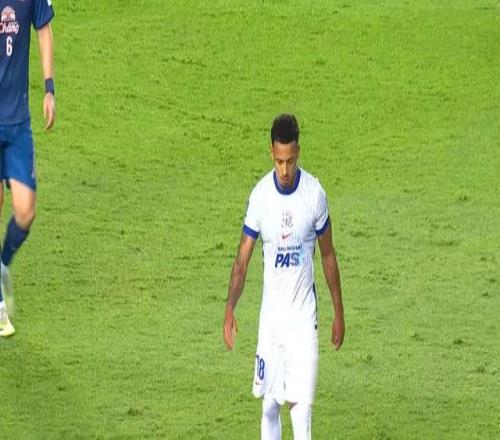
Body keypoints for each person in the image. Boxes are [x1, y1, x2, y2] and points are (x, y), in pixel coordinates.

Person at [223, 114, 345, 439]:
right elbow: (242, 259)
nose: (285, 170)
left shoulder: (313, 194)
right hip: (271, 324)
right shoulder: (261, 197)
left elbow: (328, 255)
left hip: (303, 322)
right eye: (279, 161)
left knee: (300, 410)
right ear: (271, 153)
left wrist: (339, 313)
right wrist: (229, 308)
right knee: (269, 406)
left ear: (298, 153)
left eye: (290, 161)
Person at [0, 0, 56, 337]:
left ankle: (2, 263)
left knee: (25, 211)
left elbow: (44, 29)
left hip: (18, 122)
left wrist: (49, 88)